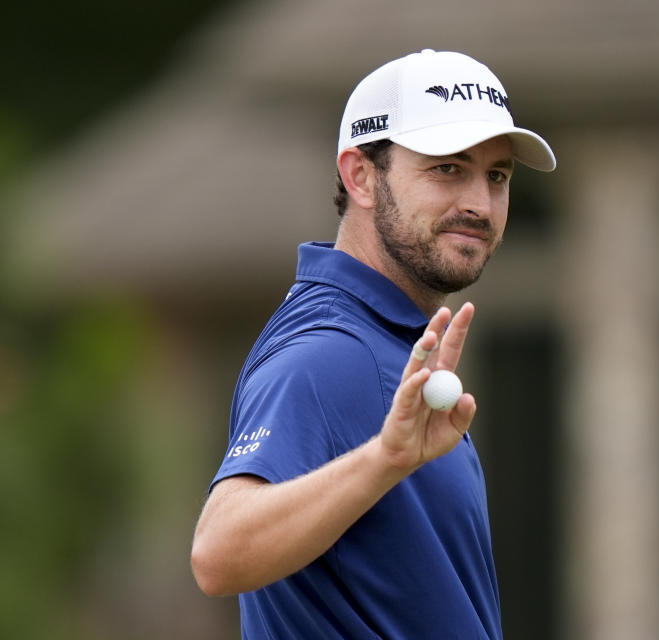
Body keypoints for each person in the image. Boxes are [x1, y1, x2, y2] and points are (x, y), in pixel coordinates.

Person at [190, 48, 556, 639]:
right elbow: (218, 553)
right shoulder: (333, 351)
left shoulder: (384, 341)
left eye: (497, 176)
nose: (479, 204)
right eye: (447, 168)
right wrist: (384, 459)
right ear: (361, 175)